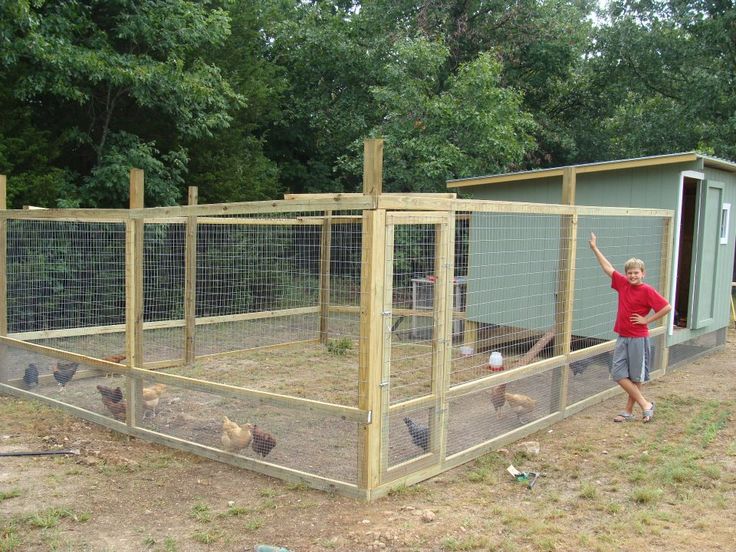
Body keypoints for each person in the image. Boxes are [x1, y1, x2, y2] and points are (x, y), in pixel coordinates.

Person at [589, 232, 672, 423]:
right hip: (623, 336)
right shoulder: (623, 284)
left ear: (643, 273)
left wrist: (647, 320)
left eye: (636, 272)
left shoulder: (647, 290)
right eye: (630, 273)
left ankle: (628, 410)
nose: (633, 275)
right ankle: (645, 404)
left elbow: (666, 307)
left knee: (636, 376)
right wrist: (595, 248)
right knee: (618, 373)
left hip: (638, 338)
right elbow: (608, 268)